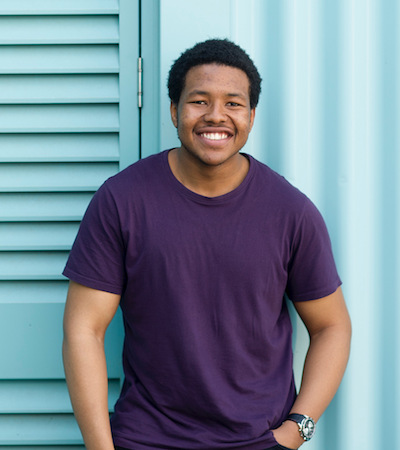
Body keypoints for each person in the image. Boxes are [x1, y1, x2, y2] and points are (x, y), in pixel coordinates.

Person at [62, 39, 351, 450]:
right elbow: (84, 329)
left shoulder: (290, 211)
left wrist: (296, 431)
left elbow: (331, 326)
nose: (216, 115)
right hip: (146, 440)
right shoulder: (122, 201)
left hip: (258, 441)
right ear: (174, 110)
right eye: (199, 101)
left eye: (233, 103)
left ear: (251, 116)